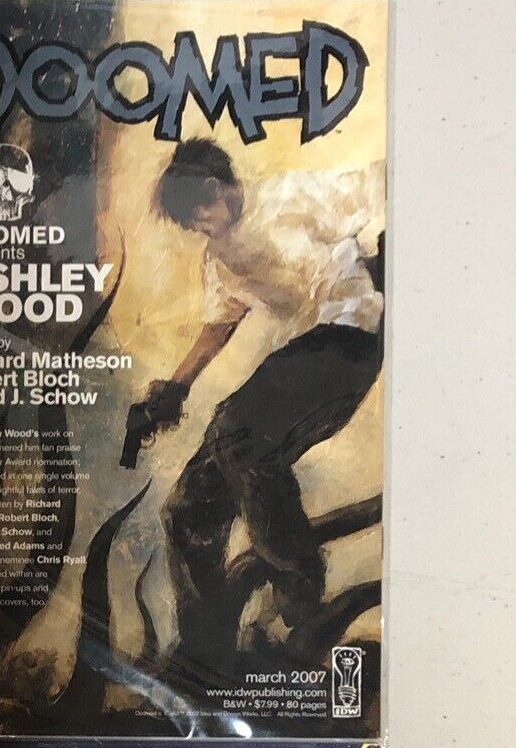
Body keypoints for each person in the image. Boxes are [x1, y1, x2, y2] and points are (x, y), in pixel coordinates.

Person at [124, 138, 385, 671]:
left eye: (202, 216)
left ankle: (300, 592)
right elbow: (217, 326)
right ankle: (204, 649)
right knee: (188, 507)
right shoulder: (219, 259)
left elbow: (382, 182)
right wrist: (174, 389)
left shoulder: (294, 196)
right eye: (193, 226)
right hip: (303, 356)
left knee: (237, 433)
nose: (203, 230)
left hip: (350, 336)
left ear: (217, 188)